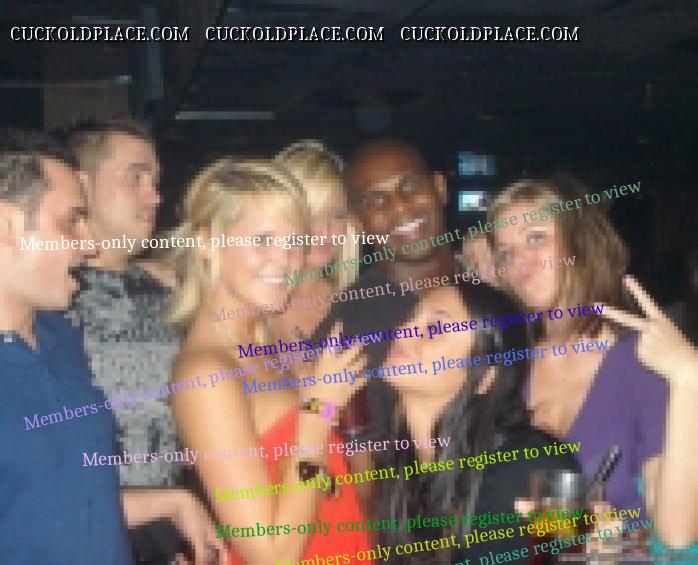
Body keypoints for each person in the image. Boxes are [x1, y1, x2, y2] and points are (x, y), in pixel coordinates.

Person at [0, 128, 224, 564]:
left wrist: (172, 502)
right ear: (7, 225)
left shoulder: (59, 339)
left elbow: (61, 502)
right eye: (71, 222)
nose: (87, 244)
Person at [167, 157, 371, 564]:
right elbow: (271, 553)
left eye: (294, 243)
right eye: (263, 240)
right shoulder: (206, 372)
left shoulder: (263, 348)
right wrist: (318, 410)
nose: (285, 260)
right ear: (207, 243)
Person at [489, 176, 697, 551]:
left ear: (581, 244)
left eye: (535, 238)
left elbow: (677, 532)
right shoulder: (507, 364)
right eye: (505, 252)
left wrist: (689, 377)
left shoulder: (640, 364)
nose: (519, 260)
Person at [371, 283, 579, 564]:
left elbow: (571, 553)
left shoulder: (531, 464)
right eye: (411, 318)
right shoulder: (403, 466)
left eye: (435, 328)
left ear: (483, 378)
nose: (404, 332)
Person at [65, 118, 190, 563]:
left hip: (173, 527)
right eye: (135, 177)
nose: (154, 196)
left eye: (155, 181)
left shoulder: (172, 291)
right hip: (85, 531)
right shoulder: (45, 300)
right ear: (81, 185)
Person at [313, 138, 457, 441]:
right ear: (359, 224)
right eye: (376, 201)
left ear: (440, 188)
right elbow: (353, 452)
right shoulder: (346, 333)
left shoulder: (494, 286)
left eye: (410, 186)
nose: (400, 205)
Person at [269, 139, 359, 345]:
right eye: (312, 214)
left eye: (337, 215)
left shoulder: (357, 304)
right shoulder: (246, 300)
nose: (326, 230)